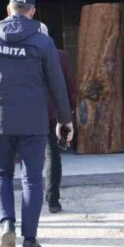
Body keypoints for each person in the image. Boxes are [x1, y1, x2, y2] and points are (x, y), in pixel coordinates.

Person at [0, 0, 73, 247]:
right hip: (33, 121)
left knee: (1, 174)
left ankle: (7, 224)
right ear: (33, 11)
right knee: (32, 179)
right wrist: (65, 120)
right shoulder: (43, 42)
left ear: (8, 9)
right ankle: (29, 240)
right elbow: (57, 85)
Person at [43, 37, 77, 214]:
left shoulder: (25, 54)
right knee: (53, 155)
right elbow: (70, 86)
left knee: (30, 156)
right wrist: (68, 112)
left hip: (29, 113)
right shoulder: (61, 56)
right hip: (55, 113)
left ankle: (32, 197)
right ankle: (53, 200)